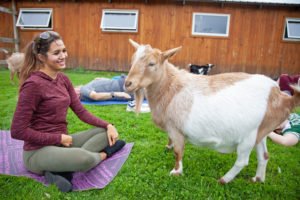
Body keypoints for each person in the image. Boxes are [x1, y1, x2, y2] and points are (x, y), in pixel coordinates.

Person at [10, 31, 125, 192]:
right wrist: (57, 137)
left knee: (103, 133)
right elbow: (17, 131)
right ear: (42, 57)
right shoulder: (33, 86)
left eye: (64, 50)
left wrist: (108, 125)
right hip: (37, 151)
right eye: (56, 53)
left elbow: (81, 112)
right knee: (85, 159)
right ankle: (106, 153)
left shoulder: (63, 79)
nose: (63, 55)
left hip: (63, 144)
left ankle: (60, 168)